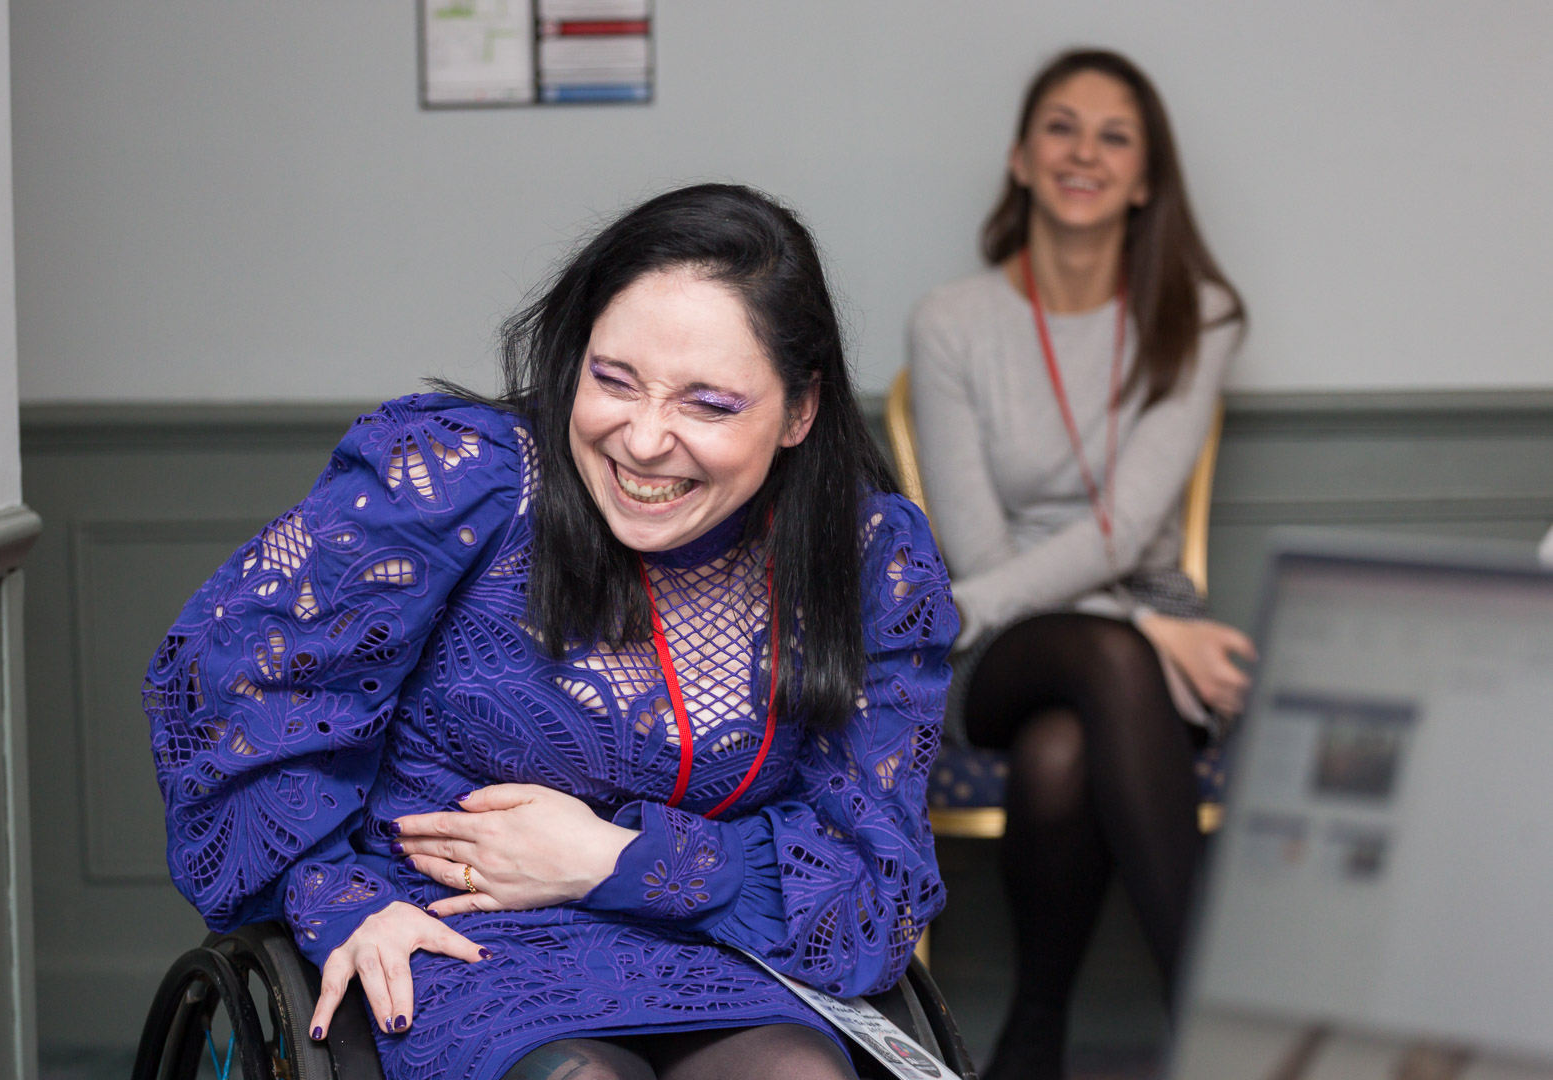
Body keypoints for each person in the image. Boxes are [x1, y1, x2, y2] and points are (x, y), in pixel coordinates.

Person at [144, 183, 956, 1080]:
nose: (644, 440)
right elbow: (232, 687)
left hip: (711, 945)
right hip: (453, 937)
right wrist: (342, 901)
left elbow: (871, 881)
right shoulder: (464, 482)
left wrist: (612, 858)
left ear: (799, 412)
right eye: (613, 381)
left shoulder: (866, 559)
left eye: (708, 405)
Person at [906, 49, 1256, 1080]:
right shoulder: (953, 322)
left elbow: (1127, 524)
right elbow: (978, 552)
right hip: (1013, 647)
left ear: (1146, 178)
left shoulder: (1200, 315)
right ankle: (1225, 1021)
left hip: (1130, 643)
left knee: (1064, 753)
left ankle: (1033, 1034)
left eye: (1115, 135)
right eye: (1061, 127)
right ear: (1021, 157)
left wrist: (1139, 621)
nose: (1084, 152)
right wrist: (1150, 631)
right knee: (1101, 665)